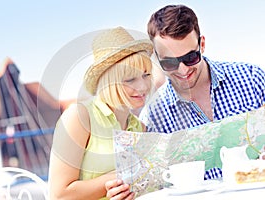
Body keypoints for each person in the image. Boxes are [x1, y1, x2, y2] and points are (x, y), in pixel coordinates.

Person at [106, 4, 265, 199]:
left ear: (202, 45)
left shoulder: (252, 79)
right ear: (157, 58)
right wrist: (126, 193)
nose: (182, 70)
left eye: (190, 57)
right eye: (170, 62)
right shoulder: (154, 116)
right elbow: (153, 186)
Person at [48, 26, 154, 200]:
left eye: (146, 75)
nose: (143, 87)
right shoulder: (79, 117)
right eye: (130, 79)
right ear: (108, 82)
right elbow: (59, 195)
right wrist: (121, 177)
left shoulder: (139, 127)